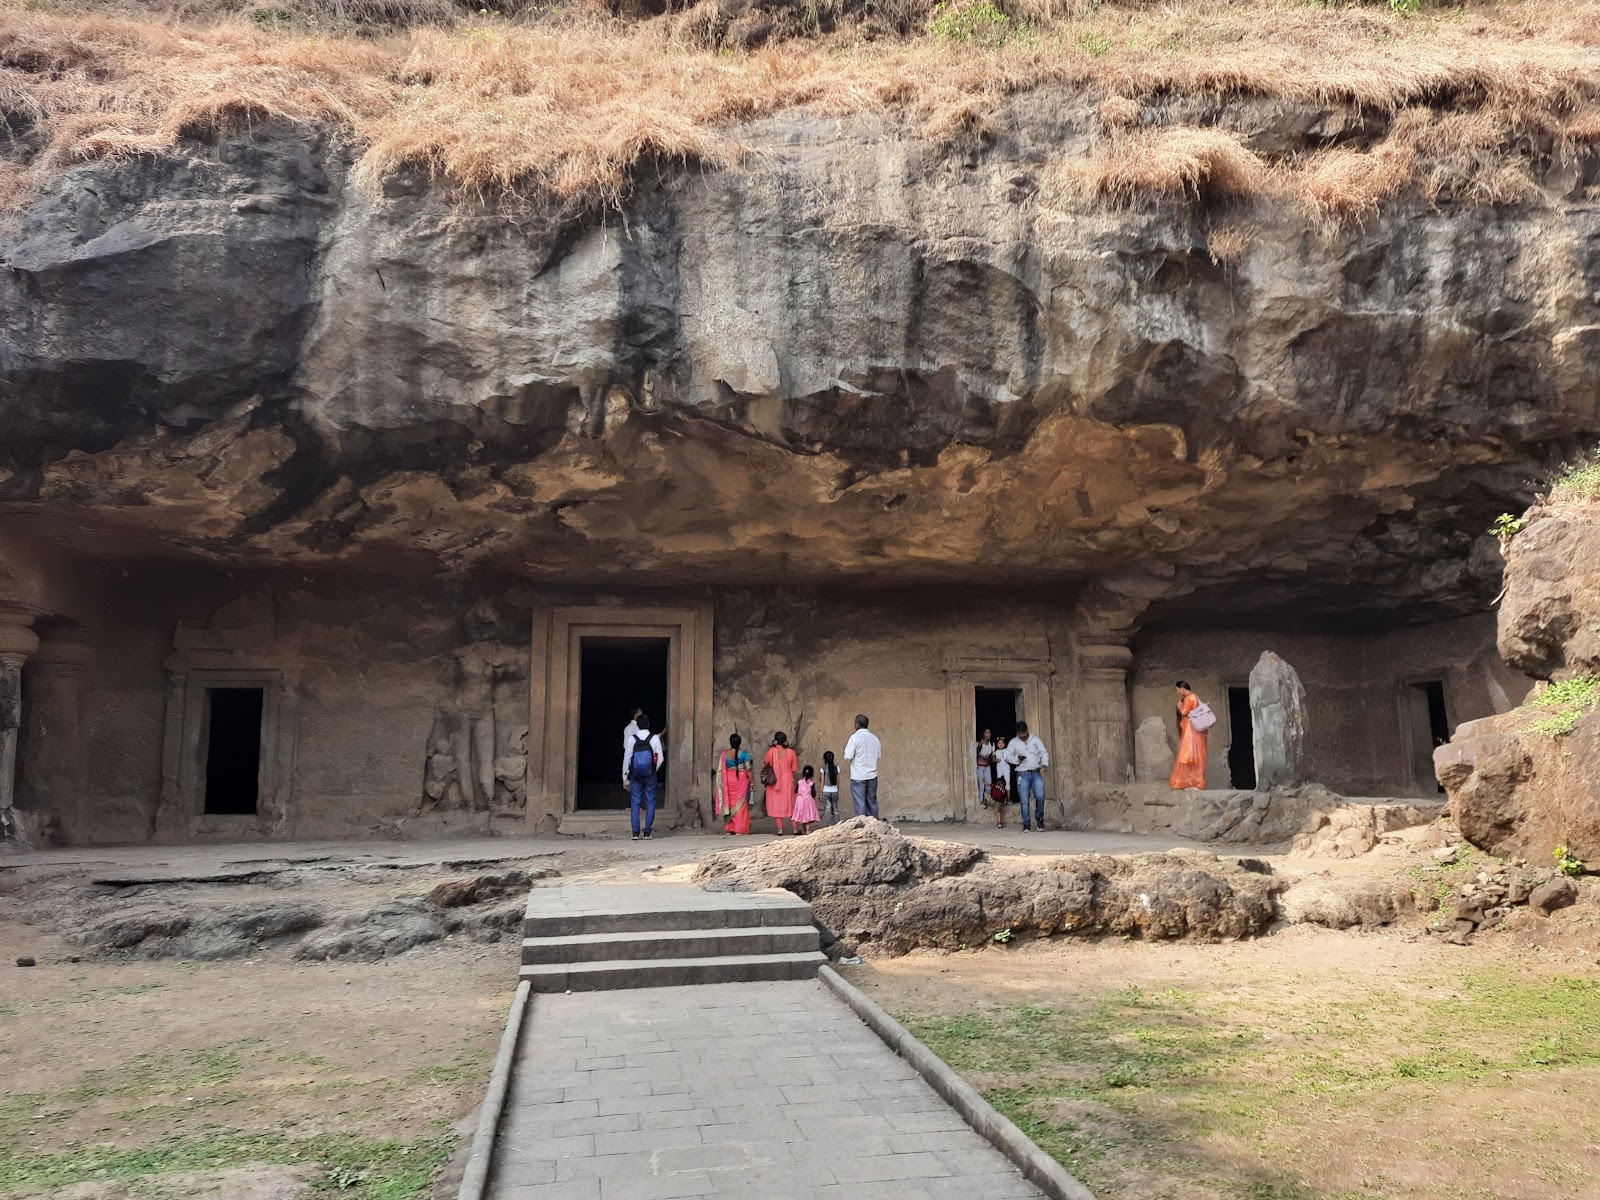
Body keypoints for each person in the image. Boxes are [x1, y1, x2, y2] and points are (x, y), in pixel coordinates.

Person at [622, 713, 664, 841]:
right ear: (648, 724)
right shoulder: (655, 738)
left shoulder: (632, 739)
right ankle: (647, 832)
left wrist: (625, 776)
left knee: (635, 802)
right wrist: (652, 770)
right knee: (650, 801)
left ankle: (635, 833)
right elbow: (660, 759)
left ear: (637, 725)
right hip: (650, 774)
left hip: (635, 774)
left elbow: (627, 759)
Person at [1003, 721, 1050, 832]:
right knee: (1024, 800)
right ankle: (1026, 823)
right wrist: (1017, 759)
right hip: (1022, 774)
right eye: (1020, 734)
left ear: (1027, 731)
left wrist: (1044, 763)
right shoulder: (1013, 742)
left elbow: (1043, 752)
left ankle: (1039, 817)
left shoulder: (1035, 740)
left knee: (1040, 796)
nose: (1023, 736)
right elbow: (1007, 756)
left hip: (1035, 773)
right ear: (1018, 733)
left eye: (1024, 733)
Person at [1169, 680, 1208, 790]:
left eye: (1177, 689)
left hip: (1191, 731)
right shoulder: (1195, 697)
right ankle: (1196, 781)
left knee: (1188, 755)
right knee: (1197, 756)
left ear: (1182, 688)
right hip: (1195, 730)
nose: (1177, 692)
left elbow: (1184, 712)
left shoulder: (1189, 698)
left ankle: (1190, 782)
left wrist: (1179, 706)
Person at [843, 714, 882, 818]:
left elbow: (848, 755)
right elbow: (878, 756)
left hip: (858, 775)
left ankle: (862, 827)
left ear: (857, 725)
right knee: (872, 802)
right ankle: (875, 826)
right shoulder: (875, 738)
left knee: (860, 803)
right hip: (872, 775)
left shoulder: (855, 738)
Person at [715, 732, 752, 836]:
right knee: (741, 805)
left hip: (728, 780)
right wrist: (752, 782)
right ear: (740, 743)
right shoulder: (744, 754)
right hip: (741, 779)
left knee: (729, 804)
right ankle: (740, 829)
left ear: (730, 742)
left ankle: (730, 828)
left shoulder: (724, 754)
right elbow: (748, 769)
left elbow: (720, 769)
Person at [763, 731, 798, 835]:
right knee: (791, 803)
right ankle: (795, 829)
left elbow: (766, 764)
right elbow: (795, 768)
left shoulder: (770, 752)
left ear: (775, 740)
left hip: (775, 781)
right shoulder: (791, 752)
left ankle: (780, 829)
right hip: (787, 780)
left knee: (777, 803)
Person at [991, 735, 1012, 828]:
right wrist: (995, 760)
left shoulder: (1007, 750)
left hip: (1006, 767)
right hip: (999, 767)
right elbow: (992, 758)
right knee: (1000, 783)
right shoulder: (996, 751)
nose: (1000, 744)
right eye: (999, 743)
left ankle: (1008, 798)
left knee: (1007, 783)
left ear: (1005, 744)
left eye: (1002, 743)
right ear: (997, 744)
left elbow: (1011, 758)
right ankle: (1001, 798)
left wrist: (1009, 759)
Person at [793, 765, 820, 834]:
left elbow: (796, 791)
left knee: (802, 814)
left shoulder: (799, 782)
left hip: (800, 800)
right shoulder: (812, 783)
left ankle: (803, 829)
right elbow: (813, 793)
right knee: (808, 814)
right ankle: (807, 830)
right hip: (808, 799)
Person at [975, 727, 996, 811]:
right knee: (981, 784)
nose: (988, 734)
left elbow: (993, 756)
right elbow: (976, 752)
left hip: (987, 766)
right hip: (979, 766)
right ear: (983, 734)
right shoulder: (979, 743)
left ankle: (987, 799)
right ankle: (981, 800)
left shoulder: (992, 743)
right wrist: (980, 744)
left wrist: (995, 759)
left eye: (989, 732)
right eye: (986, 733)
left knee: (988, 784)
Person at [819, 751, 841, 825]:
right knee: (835, 809)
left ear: (824, 759)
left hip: (826, 791)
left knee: (828, 809)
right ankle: (838, 824)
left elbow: (822, 782)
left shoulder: (823, 769)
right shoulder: (837, 768)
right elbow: (838, 781)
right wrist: (838, 790)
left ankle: (829, 825)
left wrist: (820, 793)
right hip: (834, 790)